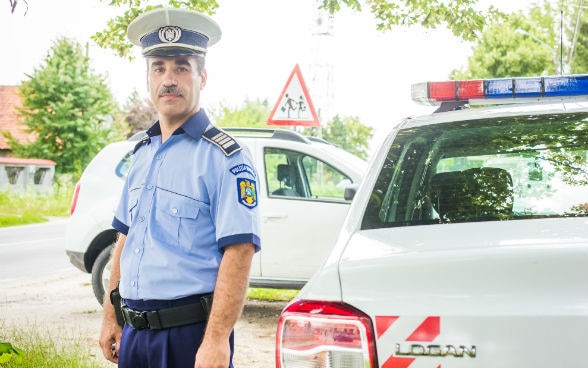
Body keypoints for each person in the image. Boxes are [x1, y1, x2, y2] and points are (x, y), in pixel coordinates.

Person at [98, 7, 261, 368]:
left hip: (188, 336)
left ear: (202, 78)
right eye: (159, 68)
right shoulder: (141, 153)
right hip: (135, 336)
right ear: (148, 79)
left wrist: (217, 341)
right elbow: (124, 240)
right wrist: (111, 315)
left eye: (181, 67)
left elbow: (239, 251)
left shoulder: (225, 157)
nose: (168, 78)